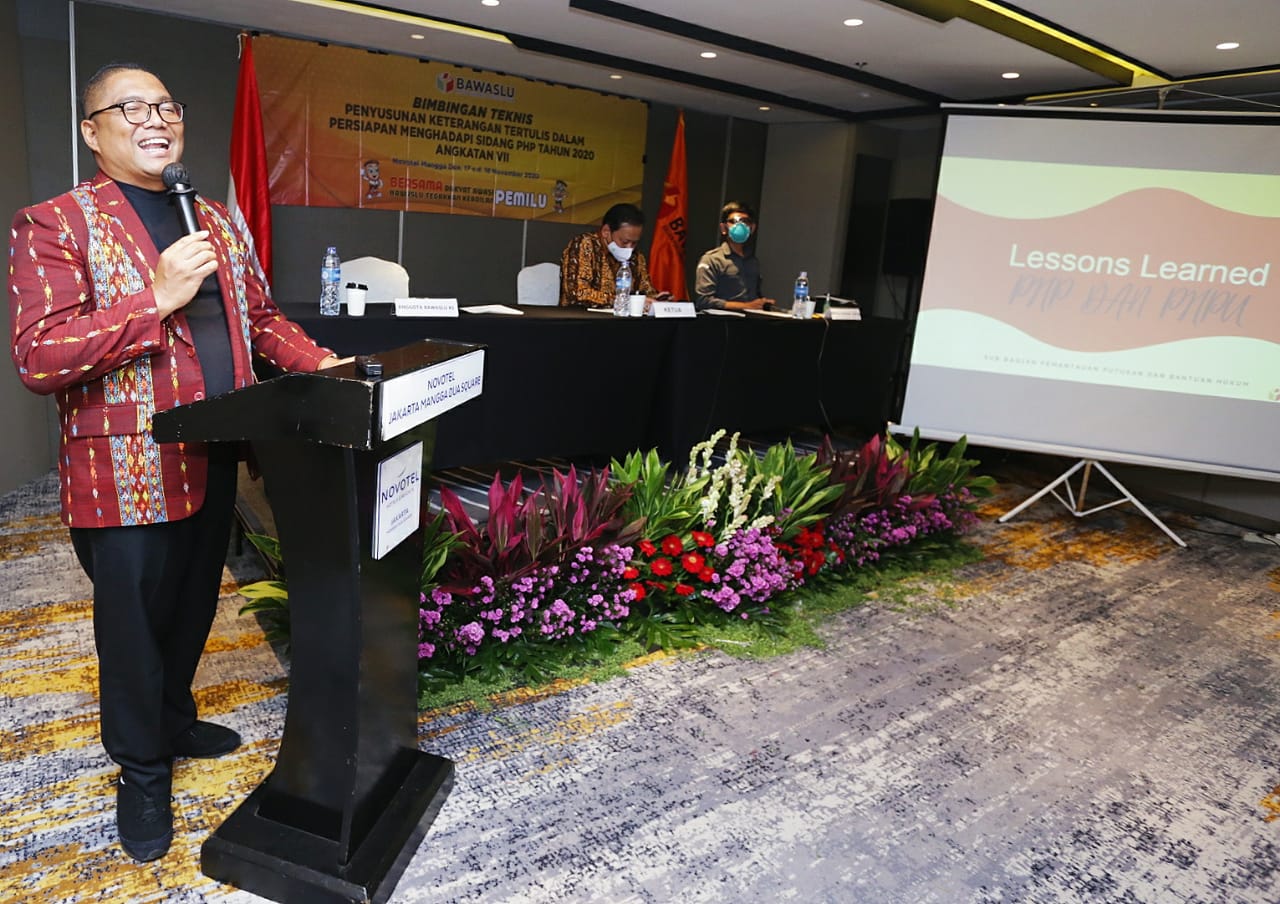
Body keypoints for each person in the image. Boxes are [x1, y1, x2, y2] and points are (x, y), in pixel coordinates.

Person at [7, 62, 348, 863]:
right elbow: (40, 356)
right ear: (92, 131)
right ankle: (141, 768)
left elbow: (259, 319)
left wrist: (322, 365)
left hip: (217, 448)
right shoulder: (55, 222)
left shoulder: (216, 217)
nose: (156, 120)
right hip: (124, 468)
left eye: (167, 107)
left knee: (194, 607)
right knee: (133, 628)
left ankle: (174, 719)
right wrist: (154, 298)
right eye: (132, 109)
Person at [559, 202, 669, 308]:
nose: (630, 248)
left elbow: (646, 290)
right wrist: (624, 301)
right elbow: (577, 293)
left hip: (621, 318)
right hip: (581, 317)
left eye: (634, 243)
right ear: (606, 231)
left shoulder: (636, 255)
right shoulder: (584, 245)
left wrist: (655, 299)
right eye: (625, 242)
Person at [694, 201, 776, 312]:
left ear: (752, 228)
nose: (740, 226)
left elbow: (753, 298)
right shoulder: (712, 260)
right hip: (722, 320)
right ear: (723, 228)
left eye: (745, 221)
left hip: (751, 319)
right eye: (734, 221)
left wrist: (762, 304)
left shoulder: (753, 261)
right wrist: (746, 306)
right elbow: (703, 301)